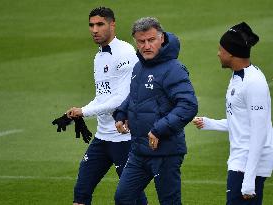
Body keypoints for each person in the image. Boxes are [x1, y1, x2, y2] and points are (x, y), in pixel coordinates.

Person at [66, 7, 147, 205]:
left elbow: (121, 99)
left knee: (132, 198)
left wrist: (84, 111)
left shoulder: (125, 53)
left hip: (124, 139)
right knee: (81, 192)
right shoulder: (99, 56)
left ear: (112, 25)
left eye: (100, 24)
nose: (94, 29)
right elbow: (102, 97)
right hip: (102, 139)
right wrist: (81, 111)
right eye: (91, 25)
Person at [113, 17, 198, 205]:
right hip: (139, 150)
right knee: (123, 197)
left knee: (169, 202)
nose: (146, 46)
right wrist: (121, 113)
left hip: (166, 152)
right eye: (141, 41)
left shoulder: (173, 69)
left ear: (162, 38)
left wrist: (159, 129)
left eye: (151, 40)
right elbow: (136, 97)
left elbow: (188, 105)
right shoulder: (139, 66)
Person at [193, 22, 273, 205]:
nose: (218, 53)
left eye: (221, 49)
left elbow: (260, 133)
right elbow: (240, 122)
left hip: (247, 165)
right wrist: (209, 123)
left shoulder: (253, 83)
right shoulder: (238, 77)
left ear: (231, 52)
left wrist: (249, 180)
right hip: (240, 160)